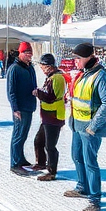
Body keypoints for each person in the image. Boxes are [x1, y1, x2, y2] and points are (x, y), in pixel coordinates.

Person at [66, 42, 106, 211]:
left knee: (90, 162)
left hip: (89, 129)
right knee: (76, 156)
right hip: (77, 125)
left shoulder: (101, 75)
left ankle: (95, 199)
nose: (75, 62)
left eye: (78, 59)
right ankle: (82, 187)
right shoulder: (83, 74)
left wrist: (93, 127)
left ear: (88, 58)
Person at [30, 53, 67, 181]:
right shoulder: (52, 77)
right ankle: (41, 162)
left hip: (54, 116)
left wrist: (38, 93)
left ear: (49, 66)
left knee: (50, 145)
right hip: (48, 115)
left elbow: (51, 96)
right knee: (39, 140)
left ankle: (52, 171)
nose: (42, 69)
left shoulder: (57, 78)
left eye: (43, 67)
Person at [5, 41, 38, 175]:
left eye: (30, 53)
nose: (29, 55)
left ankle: (20, 158)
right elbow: (11, 91)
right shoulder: (14, 69)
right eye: (27, 53)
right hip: (20, 107)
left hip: (29, 105)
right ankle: (14, 163)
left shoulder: (30, 67)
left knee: (23, 135)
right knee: (18, 135)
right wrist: (15, 108)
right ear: (21, 53)